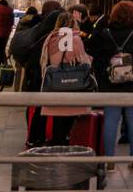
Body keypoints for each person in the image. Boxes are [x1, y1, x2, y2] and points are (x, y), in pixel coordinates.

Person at [89, 0, 133, 169]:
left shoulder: (105, 33)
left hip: (111, 82)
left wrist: (108, 61)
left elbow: (92, 50)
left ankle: (109, 162)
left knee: (111, 120)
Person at [37, 12, 92, 146]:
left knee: (57, 116)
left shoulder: (51, 38)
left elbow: (46, 60)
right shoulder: (76, 39)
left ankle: (58, 142)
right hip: (74, 83)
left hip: (56, 82)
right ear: (72, 23)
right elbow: (84, 61)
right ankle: (66, 140)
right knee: (70, 114)